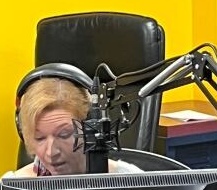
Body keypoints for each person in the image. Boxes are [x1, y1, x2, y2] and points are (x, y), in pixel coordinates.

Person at [7, 75, 141, 177]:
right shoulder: (8, 188)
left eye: (64, 135)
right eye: (39, 138)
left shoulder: (132, 181)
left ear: (90, 130)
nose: (51, 152)